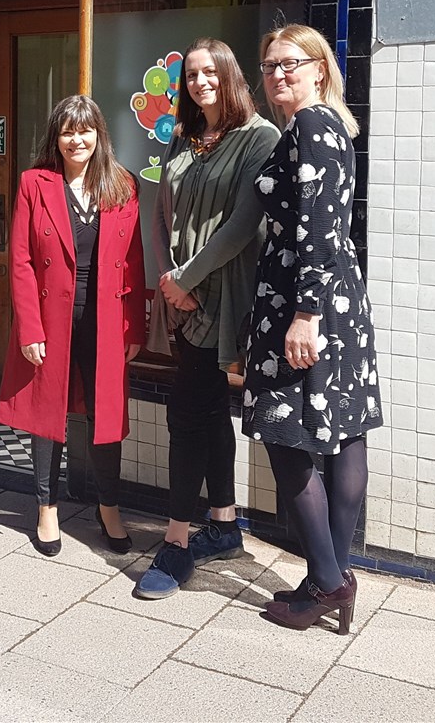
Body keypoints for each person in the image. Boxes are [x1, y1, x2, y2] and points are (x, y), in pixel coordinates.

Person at [243, 24, 381, 634]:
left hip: (307, 303)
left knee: (287, 435)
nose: (277, 74)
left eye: (290, 64)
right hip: (333, 302)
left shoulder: (311, 126)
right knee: (343, 434)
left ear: (319, 68)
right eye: (269, 64)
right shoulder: (333, 128)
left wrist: (305, 314)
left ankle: (328, 581)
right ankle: (333, 574)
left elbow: (320, 228)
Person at [134, 38, 279, 600]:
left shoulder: (258, 139)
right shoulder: (183, 138)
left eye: (208, 72)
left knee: (187, 416)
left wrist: (185, 280)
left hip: (225, 297)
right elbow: (163, 212)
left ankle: (174, 544)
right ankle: (222, 523)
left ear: (229, 75)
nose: (199, 82)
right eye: (191, 75)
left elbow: (244, 225)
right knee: (211, 410)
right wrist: (170, 280)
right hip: (182, 296)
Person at [0, 95, 147, 557]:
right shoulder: (34, 184)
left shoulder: (122, 184)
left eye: (84, 130)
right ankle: (47, 507)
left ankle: (109, 509)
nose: (76, 139)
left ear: (98, 134)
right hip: (50, 318)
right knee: (48, 413)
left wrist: (135, 329)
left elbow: (134, 260)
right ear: (56, 138)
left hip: (106, 320)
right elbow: (20, 260)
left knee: (105, 414)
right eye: (67, 131)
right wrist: (30, 329)